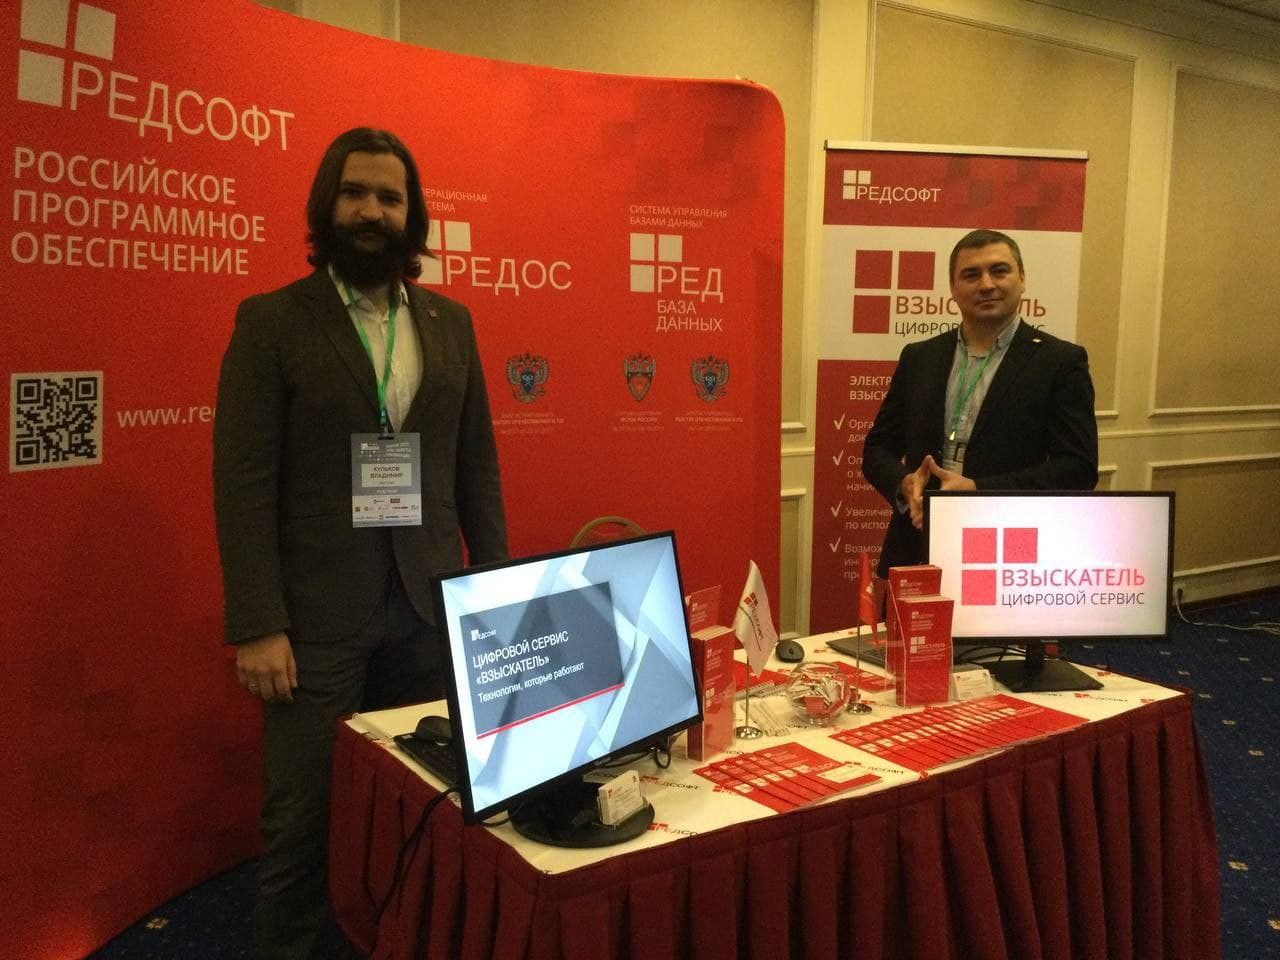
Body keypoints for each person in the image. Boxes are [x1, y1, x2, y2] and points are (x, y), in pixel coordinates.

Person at [213, 127, 507, 959]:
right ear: (327, 206)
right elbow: (242, 482)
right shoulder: (273, 321)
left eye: (389, 197)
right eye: (355, 193)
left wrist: (491, 596)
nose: (371, 211)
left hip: (424, 610)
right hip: (314, 623)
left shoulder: (451, 324)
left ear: (412, 216)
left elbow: (476, 469)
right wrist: (258, 623)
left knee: (419, 807)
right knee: (301, 821)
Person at [862, 228, 1097, 576]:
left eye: (999, 270)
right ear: (953, 288)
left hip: (1008, 550)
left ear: (1022, 278)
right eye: (971, 275)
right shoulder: (919, 357)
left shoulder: (1060, 362)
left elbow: (1078, 468)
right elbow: (877, 448)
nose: (986, 284)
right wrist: (904, 483)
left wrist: (978, 490)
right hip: (917, 539)